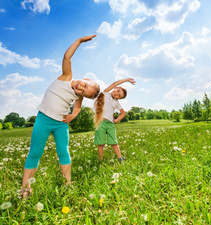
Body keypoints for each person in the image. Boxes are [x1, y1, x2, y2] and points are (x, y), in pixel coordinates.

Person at [20, 35, 104, 198]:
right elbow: (67, 57)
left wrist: (72, 116)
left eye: (83, 92)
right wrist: (79, 41)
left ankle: (68, 183)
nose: (80, 88)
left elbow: (78, 107)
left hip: (60, 125)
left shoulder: (78, 96)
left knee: (63, 152)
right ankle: (25, 188)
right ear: (85, 79)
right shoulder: (66, 77)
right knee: (35, 153)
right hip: (43, 120)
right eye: (84, 85)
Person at [94, 78, 135, 163]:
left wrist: (116, 120)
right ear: (115, 88)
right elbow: (114, 82)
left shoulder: (116, 102)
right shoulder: (105, 93)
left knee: (114, 142)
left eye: (119, 96)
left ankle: (120, 159)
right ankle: (100, 160)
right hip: (100, 122)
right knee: (101, 143)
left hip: (110, 124)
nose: (117, 95)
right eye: (118, 91)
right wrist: (127, 80)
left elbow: (123, 113)